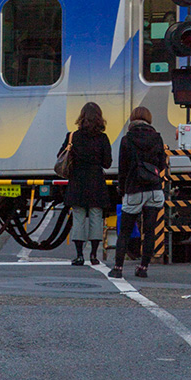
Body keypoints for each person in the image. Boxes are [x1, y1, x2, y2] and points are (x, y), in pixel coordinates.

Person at [111, 106, 166, 279]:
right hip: (154, 189)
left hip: (134, 189)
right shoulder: (157, 138)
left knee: (125, 231)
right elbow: (162, 164)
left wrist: (122, 187)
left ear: (133, 119)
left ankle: (118, 268)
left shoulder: (127, 139)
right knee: (149, 231)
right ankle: (143, 268)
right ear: (148, 119)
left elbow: (123, 168)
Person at [58, 101, 112, 266]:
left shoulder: (72, 136)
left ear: (82, 117)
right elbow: (107, 163)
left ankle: (79, 255)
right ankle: (94, 255)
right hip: (96, 181)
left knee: (79, 217)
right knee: (96, 217)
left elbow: (60, 155)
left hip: (77, 181)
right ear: (99, 119)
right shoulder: (102, 138)